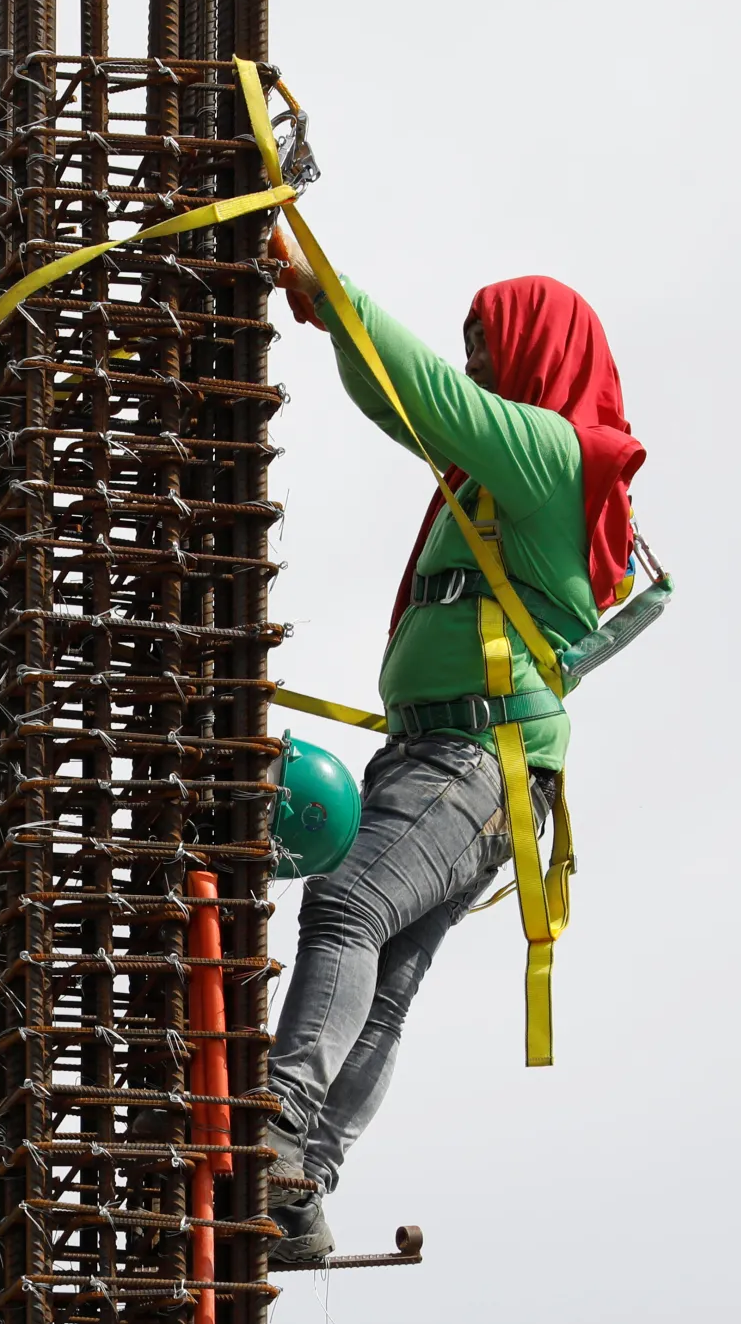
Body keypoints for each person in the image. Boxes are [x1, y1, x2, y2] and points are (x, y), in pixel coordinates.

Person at [259, 228, 646, 1262]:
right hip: (459, 759)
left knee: (349, 905)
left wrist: (324, 285)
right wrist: (316, 309)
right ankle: (298, 1184)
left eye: (485, 343)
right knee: (383, 973)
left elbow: (428, 391)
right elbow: (405, 399)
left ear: (536, 348)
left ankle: (279, 1128)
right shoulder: (499, 474)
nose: (472, 362)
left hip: (476, 758)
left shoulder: (550, 453)